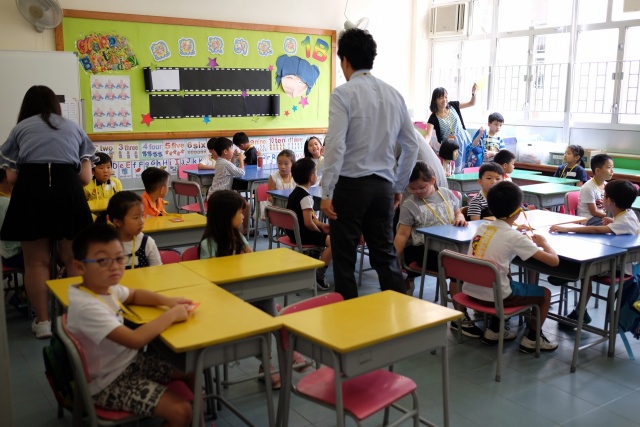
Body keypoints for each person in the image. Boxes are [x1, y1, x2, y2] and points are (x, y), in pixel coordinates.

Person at [321, 28, 419, 300]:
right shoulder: (394, 95)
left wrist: (326, 192)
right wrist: (397, 185)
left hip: (350, 188)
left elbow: (336, 145)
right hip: (382, 188)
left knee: (344, 258)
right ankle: (398, 313)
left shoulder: (342, 94)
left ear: (344, 60)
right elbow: (411, 145)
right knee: (385, 255)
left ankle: (349, 319)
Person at [66, 224, 193, 426]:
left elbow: (133, 294)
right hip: (109, 382)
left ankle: (197, 419)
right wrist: (171, 315)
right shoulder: (87, 306)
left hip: (129, 363)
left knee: (190, 367)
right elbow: (135, 340)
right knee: (181, 412)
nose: (115, 266)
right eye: (103, 260)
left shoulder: (102, 287)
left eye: (119, 258)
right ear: (80, 267)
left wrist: (168, 301)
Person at [0, 85, 95, 338]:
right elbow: (86, 178)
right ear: (56, 105)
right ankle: (75, 319)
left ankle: (42, 322)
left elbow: (11, 178)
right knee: (73, 258)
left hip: (31, 191)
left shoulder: (20, 129)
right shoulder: (74, 128)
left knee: (35, 262)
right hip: (68, 189)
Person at [199, 190, 308, 389]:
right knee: (267, 310)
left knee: (265, 302)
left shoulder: (239, 238)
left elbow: (252, 262)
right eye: (239, 213)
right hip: (223, 302)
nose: (243, 216)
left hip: (246, 296)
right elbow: (210, 280)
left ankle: (268, 365)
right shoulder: (209, 245)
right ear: (225, 216)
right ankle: (283, 352)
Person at [463, 181, 560, 352]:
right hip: (496, 297)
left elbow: (501, 235)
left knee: (503, 274)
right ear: (518, 211)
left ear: (490, 208)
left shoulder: (482, 227)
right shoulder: (514, 237)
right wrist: (544, 243)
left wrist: (515, 231)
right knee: (545, 294)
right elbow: (554, 261)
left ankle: (495, 330)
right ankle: (533, 339)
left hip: (471, 291)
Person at [550, 180, 639, 324]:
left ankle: (577, 302)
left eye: (604, 196)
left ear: (610, 201)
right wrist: (612, 221)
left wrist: (568, 228)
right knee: (587, 266)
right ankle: (579, 307)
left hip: (618, 267)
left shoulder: (624, 220)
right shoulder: (627, 214)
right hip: (613, 260)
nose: (602, 198)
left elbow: (597, 229)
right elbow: (623, 226)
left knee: (587, 270)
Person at [394, 162, 467, 297]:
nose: (417, 192)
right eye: (412, 188)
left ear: (433, 181)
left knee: (467, 261)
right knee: (458, 268)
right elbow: (402, 234)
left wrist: (460, 217)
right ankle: (460, 309)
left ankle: (463, 305)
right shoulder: (409, 204)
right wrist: (394, 259)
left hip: (450, 246)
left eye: (422, 187)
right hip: (424, 250)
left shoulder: (447, 194)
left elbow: (458, 212)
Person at [287, 158, 332, 291]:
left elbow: (309, 218)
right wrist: (318, 231)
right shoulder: (306, 197)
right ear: (312, 177)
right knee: (334, 242)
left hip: (294, 233)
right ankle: (319, 275)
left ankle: (313, 258)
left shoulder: (294, 193)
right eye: (316, 173)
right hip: (303, 234)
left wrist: (321, 225)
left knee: (325, 235)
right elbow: (308, 223)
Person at [96, 191, 161, 269]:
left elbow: (158, 272)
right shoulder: (106, 245)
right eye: (136, 217)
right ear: (118, 222)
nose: (141, 221)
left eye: (142, 215)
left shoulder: (147, 243)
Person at [424, 85, 477, 174]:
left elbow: (471, 103)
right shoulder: (433, 117)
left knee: (468, 164)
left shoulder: (453, 105)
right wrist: (423, 144)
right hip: (450, 146)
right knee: (454, 169)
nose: (444, 100)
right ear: (435, 100)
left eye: (446, 97)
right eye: (441, 98)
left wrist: (473, 93)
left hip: (463, 139)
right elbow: (428, 135)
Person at [577, 153, 614, 226]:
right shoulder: (588, 188)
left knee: (620, 224)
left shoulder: (607, 185)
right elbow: (594, 212)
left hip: (602, 216)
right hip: (589, 218)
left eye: (612, 167)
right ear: (597, 171)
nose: (612, 171)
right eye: (609, 167)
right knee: (614, 225)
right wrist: (612, 218)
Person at [0, 169, 23, 269]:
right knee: (42, 259)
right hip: (14, 255)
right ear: (6, 177)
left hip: (4, 254)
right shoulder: (7, 203)